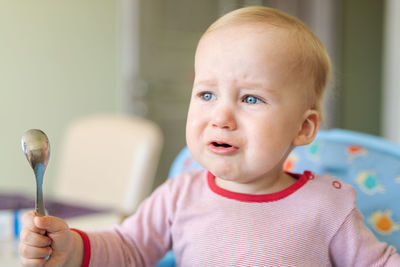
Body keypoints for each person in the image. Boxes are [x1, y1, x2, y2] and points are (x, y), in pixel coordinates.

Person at [19, 6, 400, 266]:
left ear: (303, 128)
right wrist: (69, 246)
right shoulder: (178, 196)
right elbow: (127, 248)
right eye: (206, 94)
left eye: (251, 98)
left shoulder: (327, 206)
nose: (221, 116)